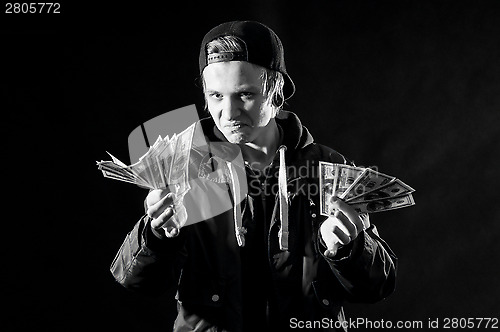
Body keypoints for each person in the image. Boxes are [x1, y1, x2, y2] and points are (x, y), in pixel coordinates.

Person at [110, 20, 397, 332]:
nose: (229, 112)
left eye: (244, 94)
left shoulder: (327, 167)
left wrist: (348, 250)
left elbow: (377, 287)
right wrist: (156, 235)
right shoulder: (182, 169)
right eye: (216, 96)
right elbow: (135, 282)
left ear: (277, 92)